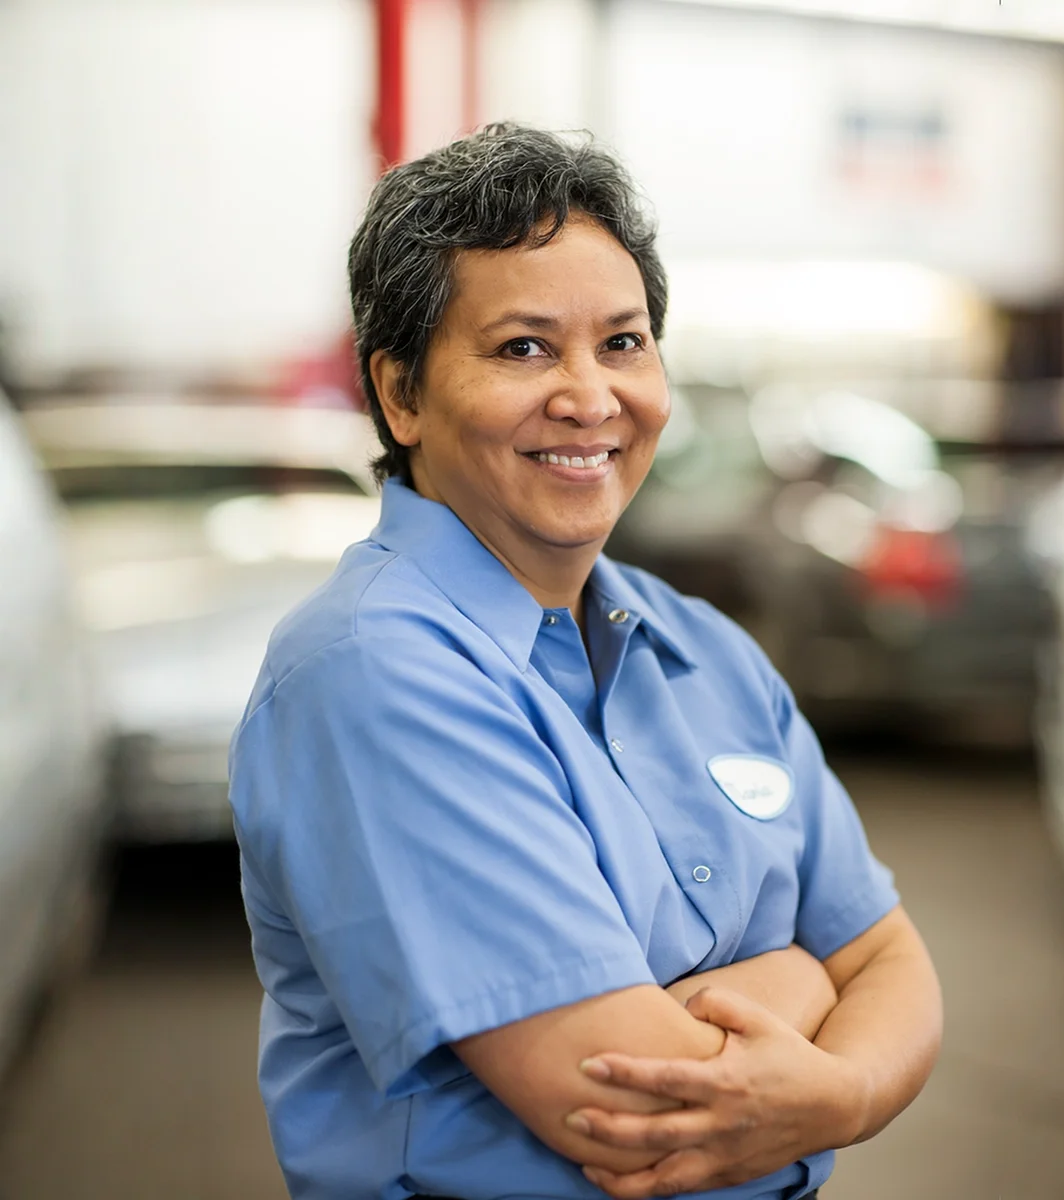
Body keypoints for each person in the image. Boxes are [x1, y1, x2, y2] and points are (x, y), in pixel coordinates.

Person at [229, 122, 942, 1200]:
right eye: (523, 348)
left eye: (623, 341)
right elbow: (635, 1111)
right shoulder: (373, 672)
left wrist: (833, 1099)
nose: (590, 396)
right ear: (401, 393)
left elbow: (896, 966)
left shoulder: (703, 649)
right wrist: (807, 980)